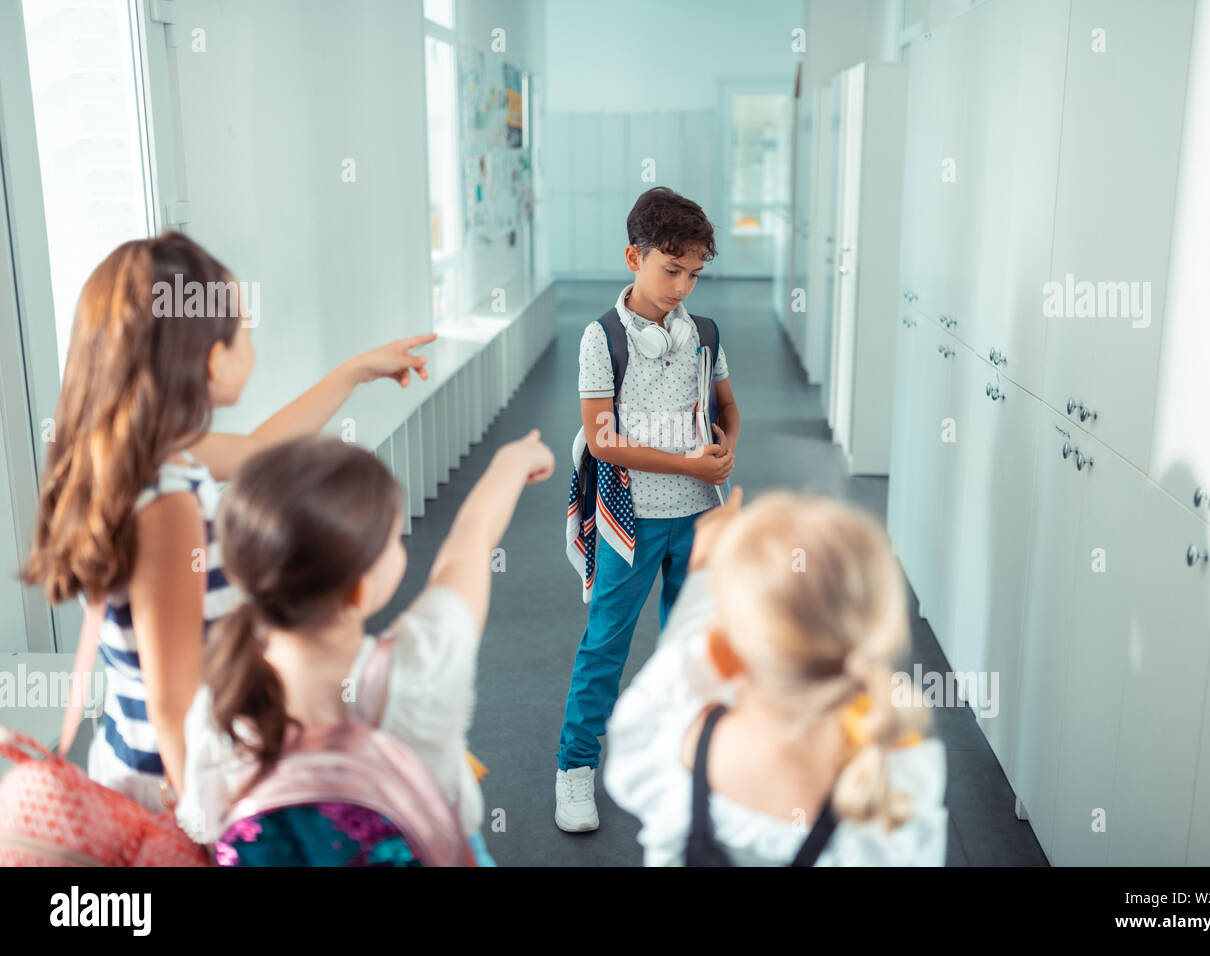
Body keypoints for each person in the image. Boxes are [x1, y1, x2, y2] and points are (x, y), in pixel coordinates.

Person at [20, 232, 437, 811]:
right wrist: (212, 836)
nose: (253, 349)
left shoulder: (155, 454)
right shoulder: (167, 503)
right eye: (244, 333)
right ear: (211, 358)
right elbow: (173, 703)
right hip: (168, 791)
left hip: (148, 763)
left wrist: (354, 372)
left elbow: (258, 448)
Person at [177, 430, 554, 865]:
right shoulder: (418, 674)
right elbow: (468, 546)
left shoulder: (219, 703)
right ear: (358, 592)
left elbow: (208, 832)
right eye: (393, 539)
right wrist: (511, 463)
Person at [603, 489, 949, 865]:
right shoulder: (895, 788)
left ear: (723, 653)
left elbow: (678, 664)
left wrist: (704, 571)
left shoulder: (670, 748)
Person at [555, 187, 741, 832]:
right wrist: (692, 464)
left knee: (693, 647)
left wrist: (724, 449)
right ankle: (574, 768)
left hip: (697, 516)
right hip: (630, 521)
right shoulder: (601, 339)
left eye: (694, 273)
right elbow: (604, 441)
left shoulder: (704, 334)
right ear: (634, 256)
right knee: (606, 645)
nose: (683, 286)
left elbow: (728, 407)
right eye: (671, 270)